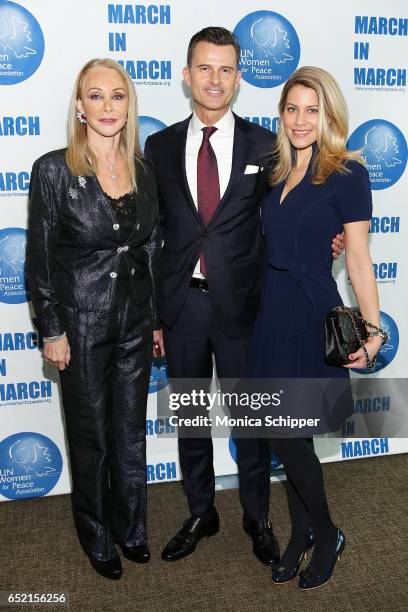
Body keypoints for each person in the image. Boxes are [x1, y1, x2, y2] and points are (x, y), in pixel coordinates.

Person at [144, 27, 344, 565]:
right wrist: (157, 315)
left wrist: (333, 233)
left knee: (253, 422)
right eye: (204, 68)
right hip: (182, 305)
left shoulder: (268, 145)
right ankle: (200, 512)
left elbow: (294, 206)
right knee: (189, 417)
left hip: (247, 307)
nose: (215, 79)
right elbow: (154, 231)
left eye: (226, 69)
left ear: (238, 77)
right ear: (187, 76)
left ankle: (258, 517)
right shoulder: (158, 147)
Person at [248, 66, 384, 589]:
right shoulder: (274, 171)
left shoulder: (348, 173)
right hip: (269, 310)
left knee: (288, 431)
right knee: (285, 433)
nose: (301, 120)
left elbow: (358, 260)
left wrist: (373, 332)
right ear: (281, 114)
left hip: (310, 312)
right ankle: (304, 531)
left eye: (312, 109)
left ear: (328, 114)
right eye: (292, 108)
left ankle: (324, 532)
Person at [26, 58, 160, 581]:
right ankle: (97, 533)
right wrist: (52, 330)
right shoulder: (54, 170)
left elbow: (150, 248)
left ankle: (132, 529)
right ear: (80, 106)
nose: (108, 107)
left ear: (129, 106)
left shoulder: (143, 170)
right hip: (79, 326)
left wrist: (153, 321)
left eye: (118, 96)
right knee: (91, 436)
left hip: (133, 322)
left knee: (130, 433)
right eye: (97, 96)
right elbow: (38, 260)